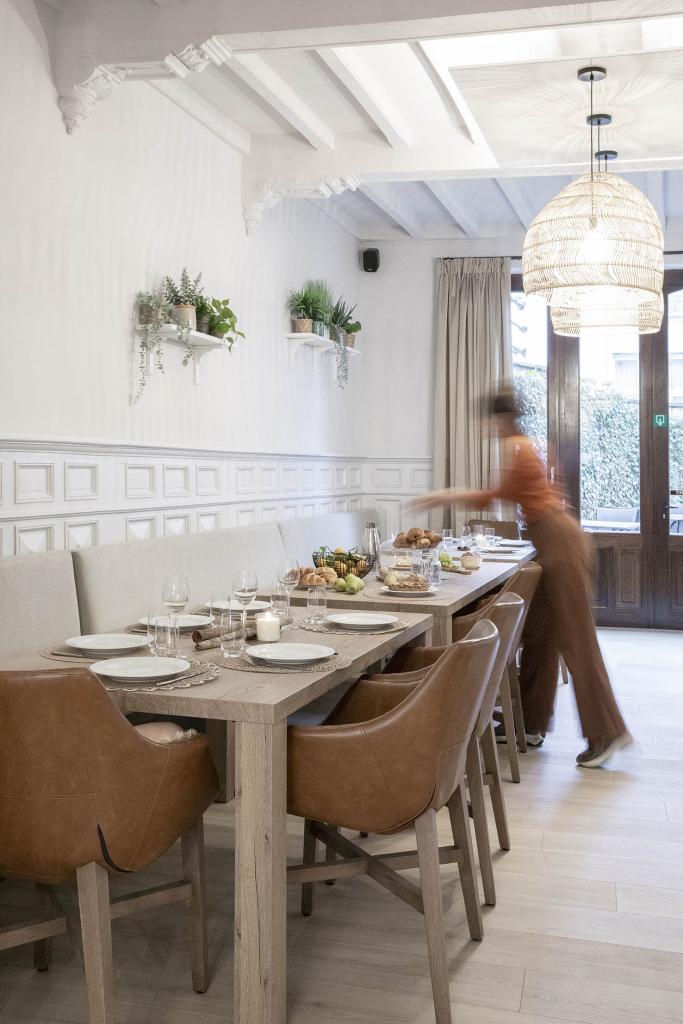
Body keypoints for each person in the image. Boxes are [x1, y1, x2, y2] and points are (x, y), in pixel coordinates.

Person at [411, 385, 631, 768]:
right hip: (552, 539)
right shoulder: (526, 444)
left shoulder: (515, 447)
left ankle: (608, 732)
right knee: (541, 633)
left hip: (559, 541)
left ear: (500, 418)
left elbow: (492, 496)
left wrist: (443, 496)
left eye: (490, 420)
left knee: (576, 639)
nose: (488, 428)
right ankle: (529, 724)